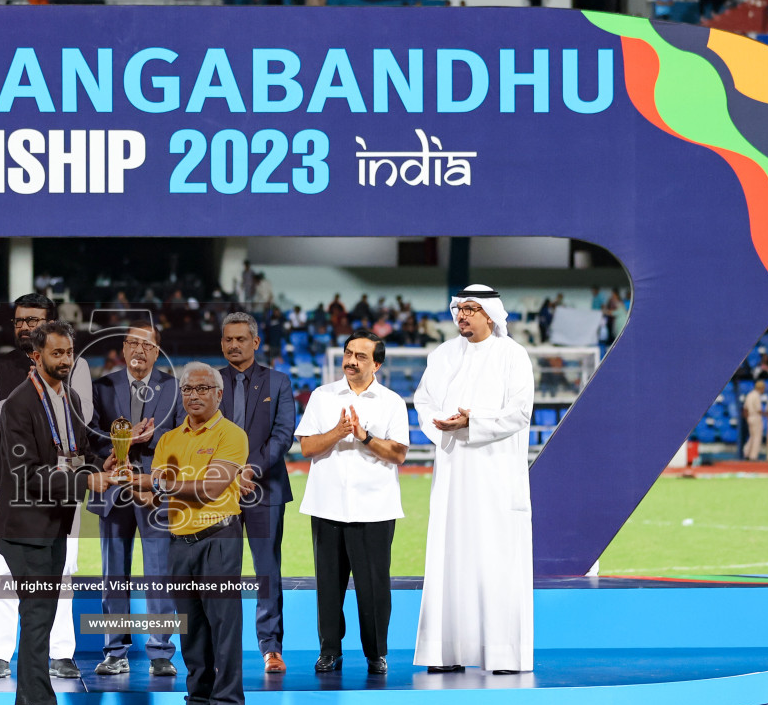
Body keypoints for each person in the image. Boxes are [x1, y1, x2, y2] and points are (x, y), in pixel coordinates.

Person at [0, 321, 116, 705]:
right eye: (57, 354)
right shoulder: (20, 403)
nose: (65, 361)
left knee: (37, 615)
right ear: (37, 355)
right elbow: (27, 474)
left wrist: (102, 467)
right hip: (24, 526)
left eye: (70, 354)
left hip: (54, 524)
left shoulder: (72, 398)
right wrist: (86, 481)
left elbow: (76, 454)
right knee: (38, 613)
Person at [119, 363, 249, 705]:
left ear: (218, 394)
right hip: (180, 542)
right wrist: (130, 480)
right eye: (187, 390)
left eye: (202, 389)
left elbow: (210, 487)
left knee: (224, 630)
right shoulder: (169, 439)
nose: (193, 395)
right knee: (192, 634)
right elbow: (151, 498)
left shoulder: (231, 435)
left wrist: (152, 481)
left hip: (218, 539)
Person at [413, 285, 535, 675]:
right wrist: (445, 426)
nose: (462, 315)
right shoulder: (443, 355)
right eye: (459, 309)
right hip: (452, 472)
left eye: (470, 309)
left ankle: (504, 655)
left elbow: (520, 413)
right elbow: (423, 400)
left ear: (490, 315)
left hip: (497, 476)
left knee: (497, 559)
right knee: (450, 556)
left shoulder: (513, 356)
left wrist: (474, 421)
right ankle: (445, 652)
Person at [0, 295, 91, 679]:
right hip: (9, 482)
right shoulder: (1, 365)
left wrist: (46, 389)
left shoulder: (75, 365)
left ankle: (61, 651)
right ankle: (0, 652)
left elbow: (84, 416)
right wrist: (28, 395)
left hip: (63, 484)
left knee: (63, 569)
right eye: (20, 321)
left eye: (34, 320)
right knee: (4, 573)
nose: (25, 327)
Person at [295, 329, 409, 674]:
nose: (351, 361)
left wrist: (364, 436)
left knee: (374, 588)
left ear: (376, 364)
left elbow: (399, 454)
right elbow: (307, 447)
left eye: (360, 356)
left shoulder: (392, 402)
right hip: (326, 505)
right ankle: (330, 650)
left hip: (374, 509)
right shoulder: (322, 396)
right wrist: (340, 432)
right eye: (348, 353)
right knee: (328, 586)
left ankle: (376, 653)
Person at [89, 322, 184, 676]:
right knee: (114, 572)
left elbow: (181, 439)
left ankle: (161, 650)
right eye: (132, 343)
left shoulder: (173, 387)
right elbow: (93, 437)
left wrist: (152, 437)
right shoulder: (103, 387)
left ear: (158, 351)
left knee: (159, 571)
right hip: (114, 487)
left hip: (155, 492)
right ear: (123, 349)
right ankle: (115, 650)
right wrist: (117, 450)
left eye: (147, 345)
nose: (139, 351)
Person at [217, 312, 296, 672]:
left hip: (265, 489)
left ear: (255, 343)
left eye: (241, 339)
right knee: (220, 571)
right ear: (222, 343)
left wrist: (251, 468)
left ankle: (271, 647)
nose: (234, 345)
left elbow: (283, 433)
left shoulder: (278, 382)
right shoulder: (210, 383)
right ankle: (222, 646)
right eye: (228, 339)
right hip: (217, 492)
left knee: (267, 570)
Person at [743, 379, 767, 461]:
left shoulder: (749, 394)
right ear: (761, 388)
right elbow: (759, 410)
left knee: (752, 436)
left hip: (750, 416)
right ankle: (753, 456)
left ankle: (747, 453)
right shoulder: (756, 396)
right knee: (757, 437)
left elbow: (745, 409)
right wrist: (767, 414)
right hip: (756, 416)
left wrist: (747, 418)